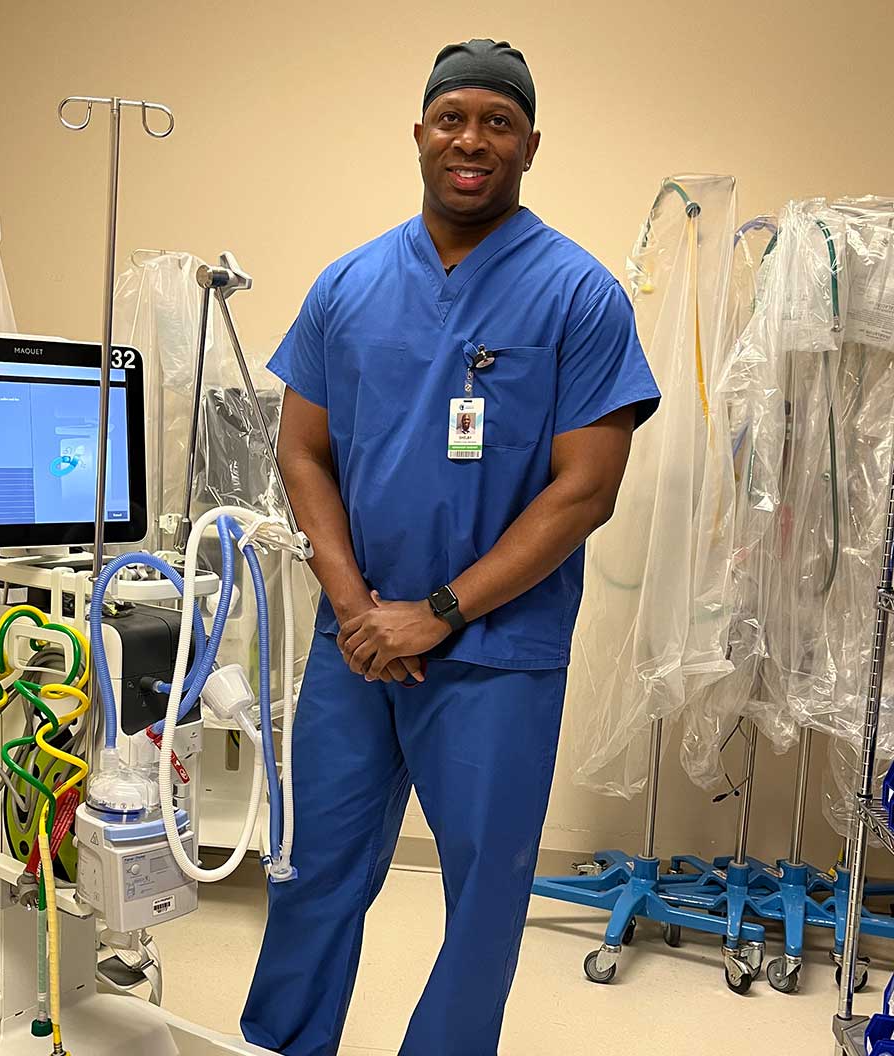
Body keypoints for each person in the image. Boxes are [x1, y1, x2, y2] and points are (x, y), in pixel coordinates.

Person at [242, 38, 660, 1056]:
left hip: (494, 654)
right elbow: (303, 453)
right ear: (421, 133)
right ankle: (286, 1043)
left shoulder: (579, 295)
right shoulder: (348, 286)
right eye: (452, 117)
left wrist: (433, 612)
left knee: (482, 892)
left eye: (498, 122)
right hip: (356, 646)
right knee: (312, 866)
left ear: (529, 145)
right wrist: (355, 609)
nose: (472, 140)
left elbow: (585, 492)